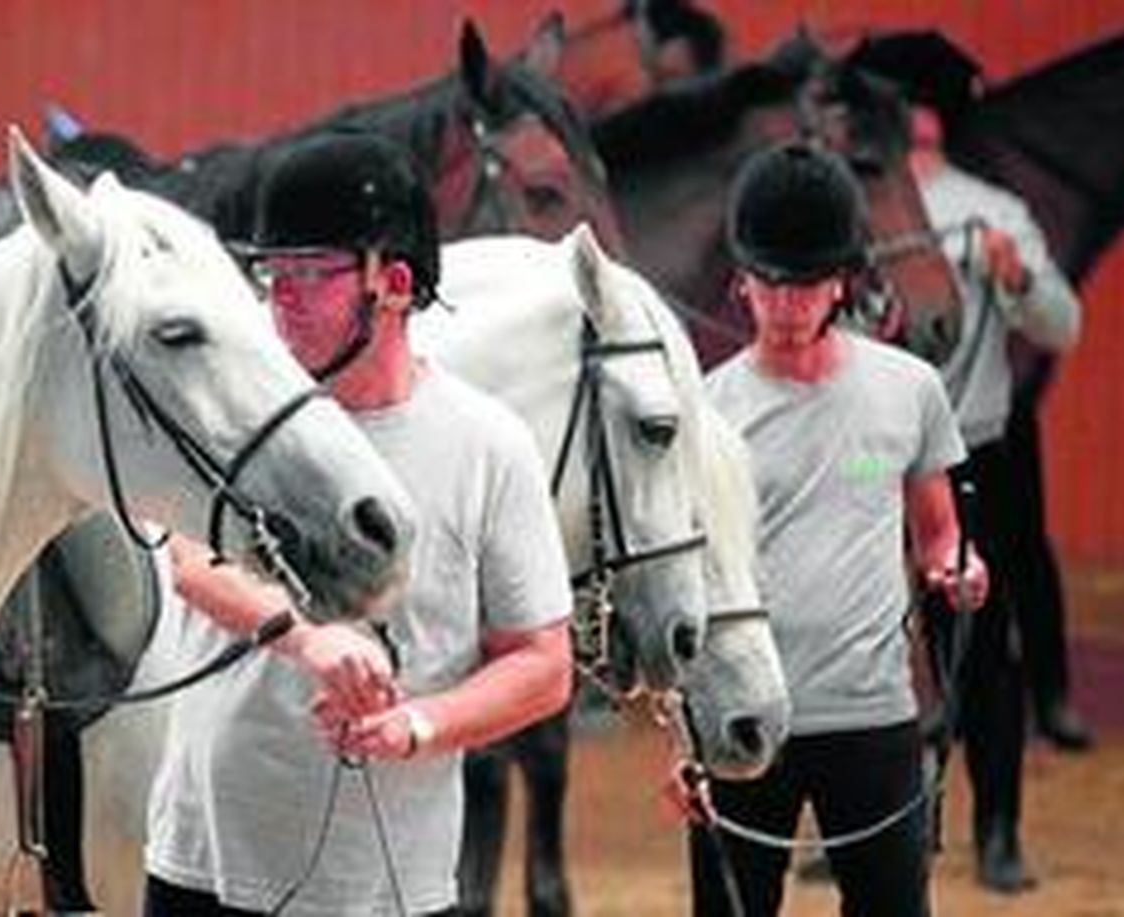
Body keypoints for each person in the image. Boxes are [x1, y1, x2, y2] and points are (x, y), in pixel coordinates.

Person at [141, 130, 575, 917]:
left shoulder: (489, 445)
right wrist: (308, 637)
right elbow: (187, 557)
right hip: (201, 864)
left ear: (395, 283)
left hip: (392, 886)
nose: (282, 296)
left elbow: (543, 664)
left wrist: (422, 724)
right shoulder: (230, 415)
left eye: (312, 271)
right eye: (272, 271)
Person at [680, 142, 987, 917]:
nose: (786, 305)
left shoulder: (910, 391)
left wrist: (957, 567)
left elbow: (937, 532)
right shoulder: (705, 411)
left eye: (806, 284)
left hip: (873, 714)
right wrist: (679, 741)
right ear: (741, 280)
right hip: (743, 718)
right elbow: (685, 583)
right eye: (770, 283)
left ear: (842, 280)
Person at [853, 31, 1086, 893]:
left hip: (963, 456)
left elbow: (1062, 325)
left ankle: (996, 828)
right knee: (862, 644)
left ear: (919, 117)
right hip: (867, 465)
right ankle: (864, 821)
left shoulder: (991, 212)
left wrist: (1015, 276)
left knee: (980, 647)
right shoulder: (853, 205)